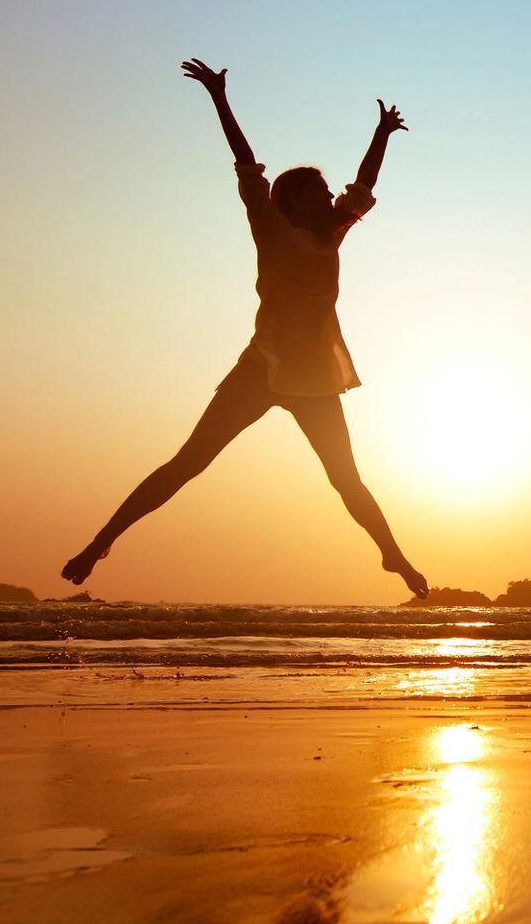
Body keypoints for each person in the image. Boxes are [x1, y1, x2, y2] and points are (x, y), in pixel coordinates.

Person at [61, 58, 428, 598]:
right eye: (317, 191)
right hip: (261, 368)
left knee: (345, 478)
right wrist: (219, 97)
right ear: (291, 199)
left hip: (314, 379)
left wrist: (380, 135)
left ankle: (393, 556)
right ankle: (101, 542)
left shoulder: (332, 236)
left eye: (328, 193)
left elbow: (362, 185)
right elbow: (246, 163)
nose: (329, 198)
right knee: (188, 463)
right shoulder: (270, 228)